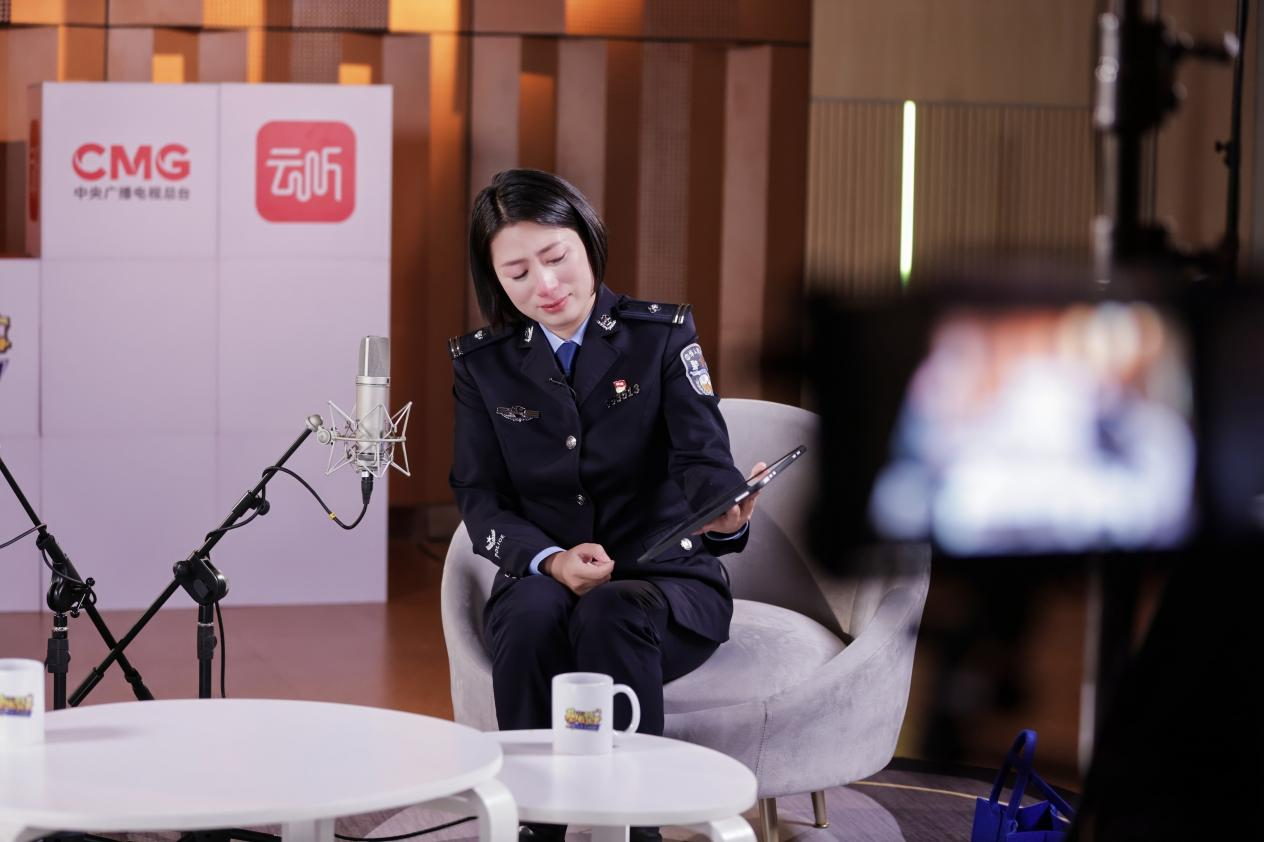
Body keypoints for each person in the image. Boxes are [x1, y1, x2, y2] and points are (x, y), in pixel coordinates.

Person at [449, 169, 761, 842]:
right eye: (517, 273)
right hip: (545, 577)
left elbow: (703, 458)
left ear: (588, 241)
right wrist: (550, 560)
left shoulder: (661, 336)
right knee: (529, 618)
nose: (545, 285)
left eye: (555, 257)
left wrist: (724, 513)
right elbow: (479, 495)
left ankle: (635, 824)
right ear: (495, 280)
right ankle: (534, 823)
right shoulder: (483, 366)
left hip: (667, 582)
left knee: (612, 612)